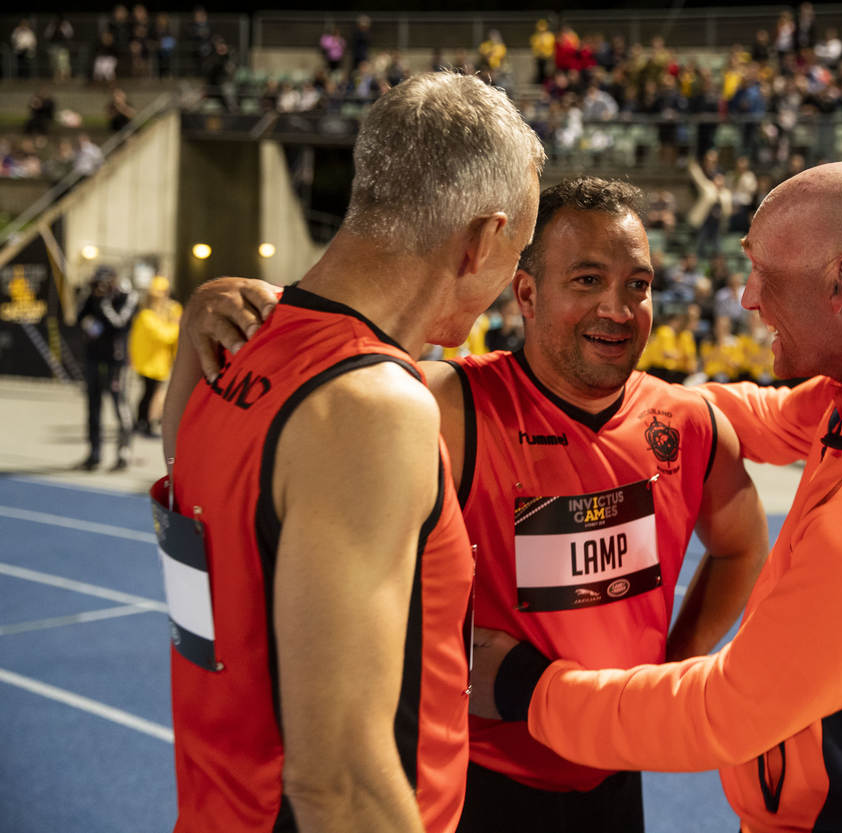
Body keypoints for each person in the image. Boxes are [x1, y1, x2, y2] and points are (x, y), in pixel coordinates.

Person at [469, 160, 842, 833]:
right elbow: (769, 414)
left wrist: (522, 684)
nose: (747, 298)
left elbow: (721, 713)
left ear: (841, 280)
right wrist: (620, 404)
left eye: (766, 274)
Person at [180, 177, 770, 833]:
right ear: (527, 295)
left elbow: (741, 546)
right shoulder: (444, 406)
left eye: (638, 285)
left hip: (611, 771)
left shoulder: (689, 423)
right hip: (473, 776)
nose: (618, 308)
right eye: (587, 281)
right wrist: (221, 315)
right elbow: (277, 417)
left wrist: (671, 663)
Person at [157, 73, 545, 833]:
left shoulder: (227, 345)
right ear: (481, 240)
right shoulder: (371, 406)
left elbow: (199, 514)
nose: (510, 283)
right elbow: (338, 781)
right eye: (519, 252)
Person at [77, 266, 137, 471]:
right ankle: (94, 452)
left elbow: (119, 324)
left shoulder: (126, 296)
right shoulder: (92, 295)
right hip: (94, 357)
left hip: (116, 360)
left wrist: (104, 303)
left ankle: (123, 453)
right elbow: (78, 317)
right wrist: (89, 295)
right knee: (93, 406)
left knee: (119, 404)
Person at [128, 275, 181, 438]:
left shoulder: (166, 312)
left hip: (160, 362)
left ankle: (143, 422)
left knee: (150, 393)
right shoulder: (146, 316)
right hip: (150, 363)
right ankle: (146, 423)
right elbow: (165, 335)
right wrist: (176, 324)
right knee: (151, 394)